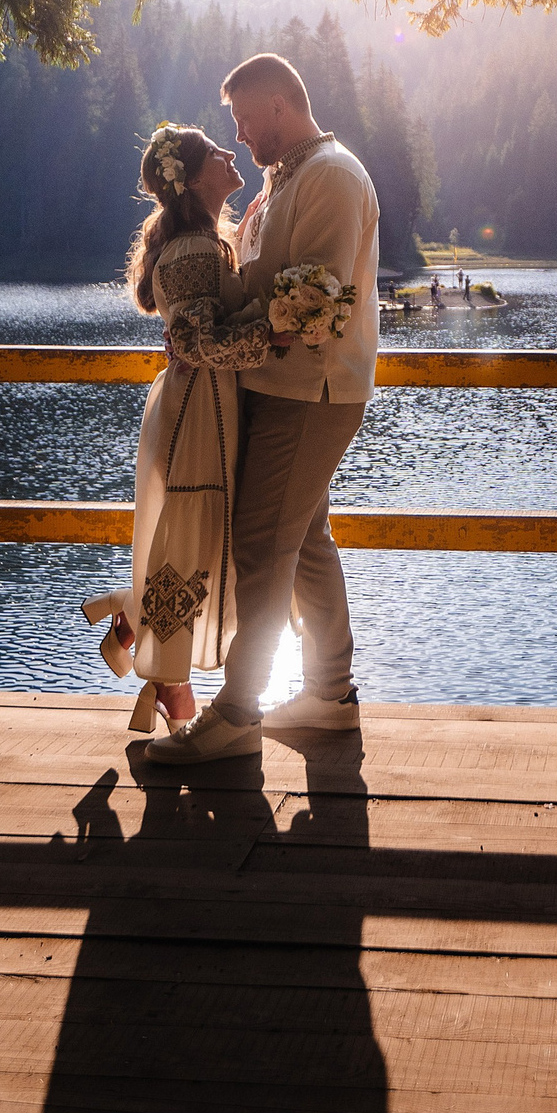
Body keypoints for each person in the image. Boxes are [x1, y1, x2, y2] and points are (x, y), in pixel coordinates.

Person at [149, 53, 381, 763]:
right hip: (277, 388)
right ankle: (330, 695)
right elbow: (260, 282)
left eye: (246, 120)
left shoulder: (333, 176)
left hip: (311, 390)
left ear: (281, 104)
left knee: (260, 542)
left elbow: (316, 296)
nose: (242, 137)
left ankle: (239, 712)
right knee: (304, 539)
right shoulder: (286, 182)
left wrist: (224, 332)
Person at [82, 125, 280, 736]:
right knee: (194, 537)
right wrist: (273, 338)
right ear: (194, 179)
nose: (230, 154)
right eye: (217, 153)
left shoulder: (203, 241)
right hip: (200, 409)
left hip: (199, 403)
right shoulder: (194, 249)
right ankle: (166, 678)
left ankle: (137, 626)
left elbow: (192, 332)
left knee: (190, 536)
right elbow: (195, 342)